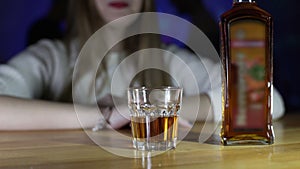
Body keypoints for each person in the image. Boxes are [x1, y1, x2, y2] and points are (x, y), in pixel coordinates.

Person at [0, 0, 285, 131]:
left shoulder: (169, 59)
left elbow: (268, 99)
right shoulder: (52, 58)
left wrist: (149, 103)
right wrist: (107, 114)